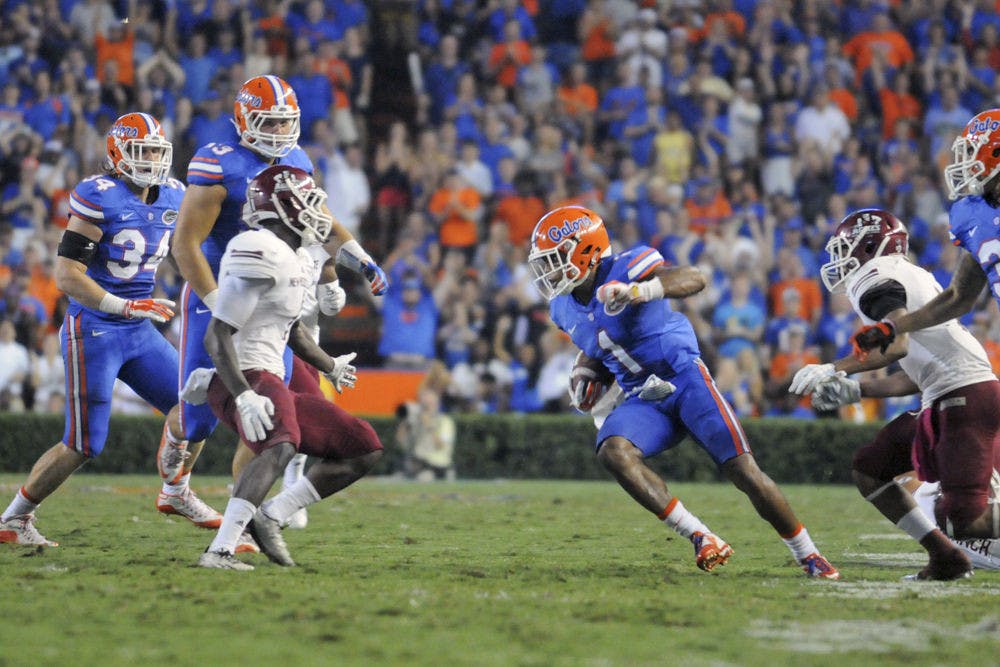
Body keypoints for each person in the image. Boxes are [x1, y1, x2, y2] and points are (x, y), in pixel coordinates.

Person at [527, 205, 839, 579]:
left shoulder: (627, 266)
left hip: (685, 379)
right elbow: (598, 342)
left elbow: (693, 278)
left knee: (744, 472)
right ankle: (700, 536)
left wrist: (639, 291)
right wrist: (584, 371)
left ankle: (809, 554)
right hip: (643, 398)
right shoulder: (562, 308)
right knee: (614, 452)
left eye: (556, 258)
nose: (549, 270)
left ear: (586, 250)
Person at [167, 75, 387, 542]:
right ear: (244, 121)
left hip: (270, 305)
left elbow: (316, 220)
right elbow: (184, 244)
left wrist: (360, 258)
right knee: (199, 421)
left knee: (267, 417)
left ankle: (238, 518)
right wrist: (217, 304)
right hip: (219, 288)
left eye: (286, 122)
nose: (278, 133)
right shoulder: (217, 163)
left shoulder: (297, 159)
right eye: (269, 122)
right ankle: (179, 467)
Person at [0, 113, 220, 546]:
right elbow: (65, 276)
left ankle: (175, 491)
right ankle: (13, 519)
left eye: (158, 151)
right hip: (95, 327)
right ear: (118, 154)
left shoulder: (175, 193)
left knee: (197, 404)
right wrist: (123, 304)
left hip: (139, 328)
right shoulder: (98, 196)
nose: (153, 160)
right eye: (143, 152)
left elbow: (183, 249)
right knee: (84, 443)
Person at [184, 165, 383, 570]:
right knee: (281, 444)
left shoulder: (295, 255)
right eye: (308, 202)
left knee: (362, 446)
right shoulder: (257, 246)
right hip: (243, 375)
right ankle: (219, 550)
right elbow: (216, 335)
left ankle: (271, 515)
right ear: (281, 206)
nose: (317, 212)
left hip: (272, 374)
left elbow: (290, 331)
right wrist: (242, 395)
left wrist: (329, 366)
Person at [790, 208, 1000, 580]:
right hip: (953, 392)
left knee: (965, 519)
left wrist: (833, 368)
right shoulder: (910, 275)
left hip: (964, 398)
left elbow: (897, 343)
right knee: (871, 468)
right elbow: (917, 372)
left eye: (844, 248)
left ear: (870, 245)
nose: (839, 259)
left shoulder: (875, 277)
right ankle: (945, 558)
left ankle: (951, 551)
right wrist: (857, 390)